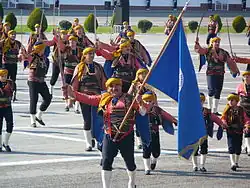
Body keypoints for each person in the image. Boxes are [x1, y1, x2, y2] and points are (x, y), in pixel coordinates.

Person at [66, 77, 148, 188]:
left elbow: (143, 112)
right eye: (111, 86)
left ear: (121, 87)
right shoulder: (104, 98)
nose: (114, 88)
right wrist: (73, 93)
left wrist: (140, 102)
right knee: (106, 162)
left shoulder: (130, 99)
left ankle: (132, 182)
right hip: (109, 135)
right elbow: (89, 98)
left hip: (126, 136)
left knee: (130, 163)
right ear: (108, 88)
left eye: (117, 86)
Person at [71, 47, 107, 151]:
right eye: (89, 53)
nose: (91, 55)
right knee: (87, 120)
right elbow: (75, 82)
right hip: (84, 97)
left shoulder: (98, 67)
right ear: (85, 55)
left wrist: (107, 93)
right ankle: (88, 143)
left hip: (97, 97)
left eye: (93, 53)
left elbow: (104, 81)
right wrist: (73, 96)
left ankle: (96, 137)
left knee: (97, 119)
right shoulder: (80, 67)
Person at [194, 37, 240, 115]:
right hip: (211, 73)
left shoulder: (223, 52)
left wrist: (235, 69)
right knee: (211, 90)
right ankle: (209, 108)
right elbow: (200, 51)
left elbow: (229, 61)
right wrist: (197, 44)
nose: (217, 43)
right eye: (216, 42)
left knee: (218, 91)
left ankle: (214, 111)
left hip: (220, 73)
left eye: (218, 42)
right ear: (212, 43)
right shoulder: (208, 50)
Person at [141, 91, 177, 175]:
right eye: (146, 101)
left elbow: (166, 115)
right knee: (146, 150)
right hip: (145, 133)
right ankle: (147, 168)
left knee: (156, 152)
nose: (148, 103)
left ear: (153, 101)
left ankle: (154, 160)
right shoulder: (140, 109)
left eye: (150, 101)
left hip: (155, 133)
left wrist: (174, 120)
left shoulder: (157, 110)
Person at [191, 93, 224, 172]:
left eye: (201, 100)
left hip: (204, 134)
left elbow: (215, 118)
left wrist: (222, 124)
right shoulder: (190, 111)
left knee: (204, 149)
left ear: (203, 101)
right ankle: (195, 165)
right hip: (193, 134)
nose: (199, 102)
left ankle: (202, 165)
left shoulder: (207, 112)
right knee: (194, 150)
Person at [25, 41, 52, 127]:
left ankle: (39, 115)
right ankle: (32, 121)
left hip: (41, 81)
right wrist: (23, 55)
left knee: (48, 98)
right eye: (42, 48)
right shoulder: (32, 56)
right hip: (33, 81)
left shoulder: (45, 58)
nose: (44, 50)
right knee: (34, 100)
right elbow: (25, 58)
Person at [221, 93, 249, 171]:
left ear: (236, 101)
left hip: (239, 131)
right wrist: (224, 123)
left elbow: (246, 119)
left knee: (238, 148)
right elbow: (223, 118)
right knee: (231, 147)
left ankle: (236, 162)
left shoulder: (241, 109)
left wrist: (247, 126)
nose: (230, 102)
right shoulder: (227, 109)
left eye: (232, 100)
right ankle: (232, 163)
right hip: (230, 130)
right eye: (229, 100)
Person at [1, 30, 24, 101]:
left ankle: (13, 94)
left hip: (14, 64)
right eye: (11, 34)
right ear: (8, 35)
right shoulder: (4, 42)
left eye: (14, 34)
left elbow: (23, 49)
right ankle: (3, 93)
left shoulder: (18, 43)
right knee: (4, 80)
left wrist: (21, 54)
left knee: (13, 80)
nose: (13, 35)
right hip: (6, 64)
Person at [236, 64, 250, 156]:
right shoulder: (240, 87)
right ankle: (248, 147)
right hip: (243, 110)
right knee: (247, 128)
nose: (247, 78)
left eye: (248, 77)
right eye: (245, 77)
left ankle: (247, 145)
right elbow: (236, 98)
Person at [0, 69, 14, 152]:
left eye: (5, 76)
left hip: (8, 107)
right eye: (2, 76)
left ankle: (6, 143)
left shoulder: (10, 83)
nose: (4, 77)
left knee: (10, 124)